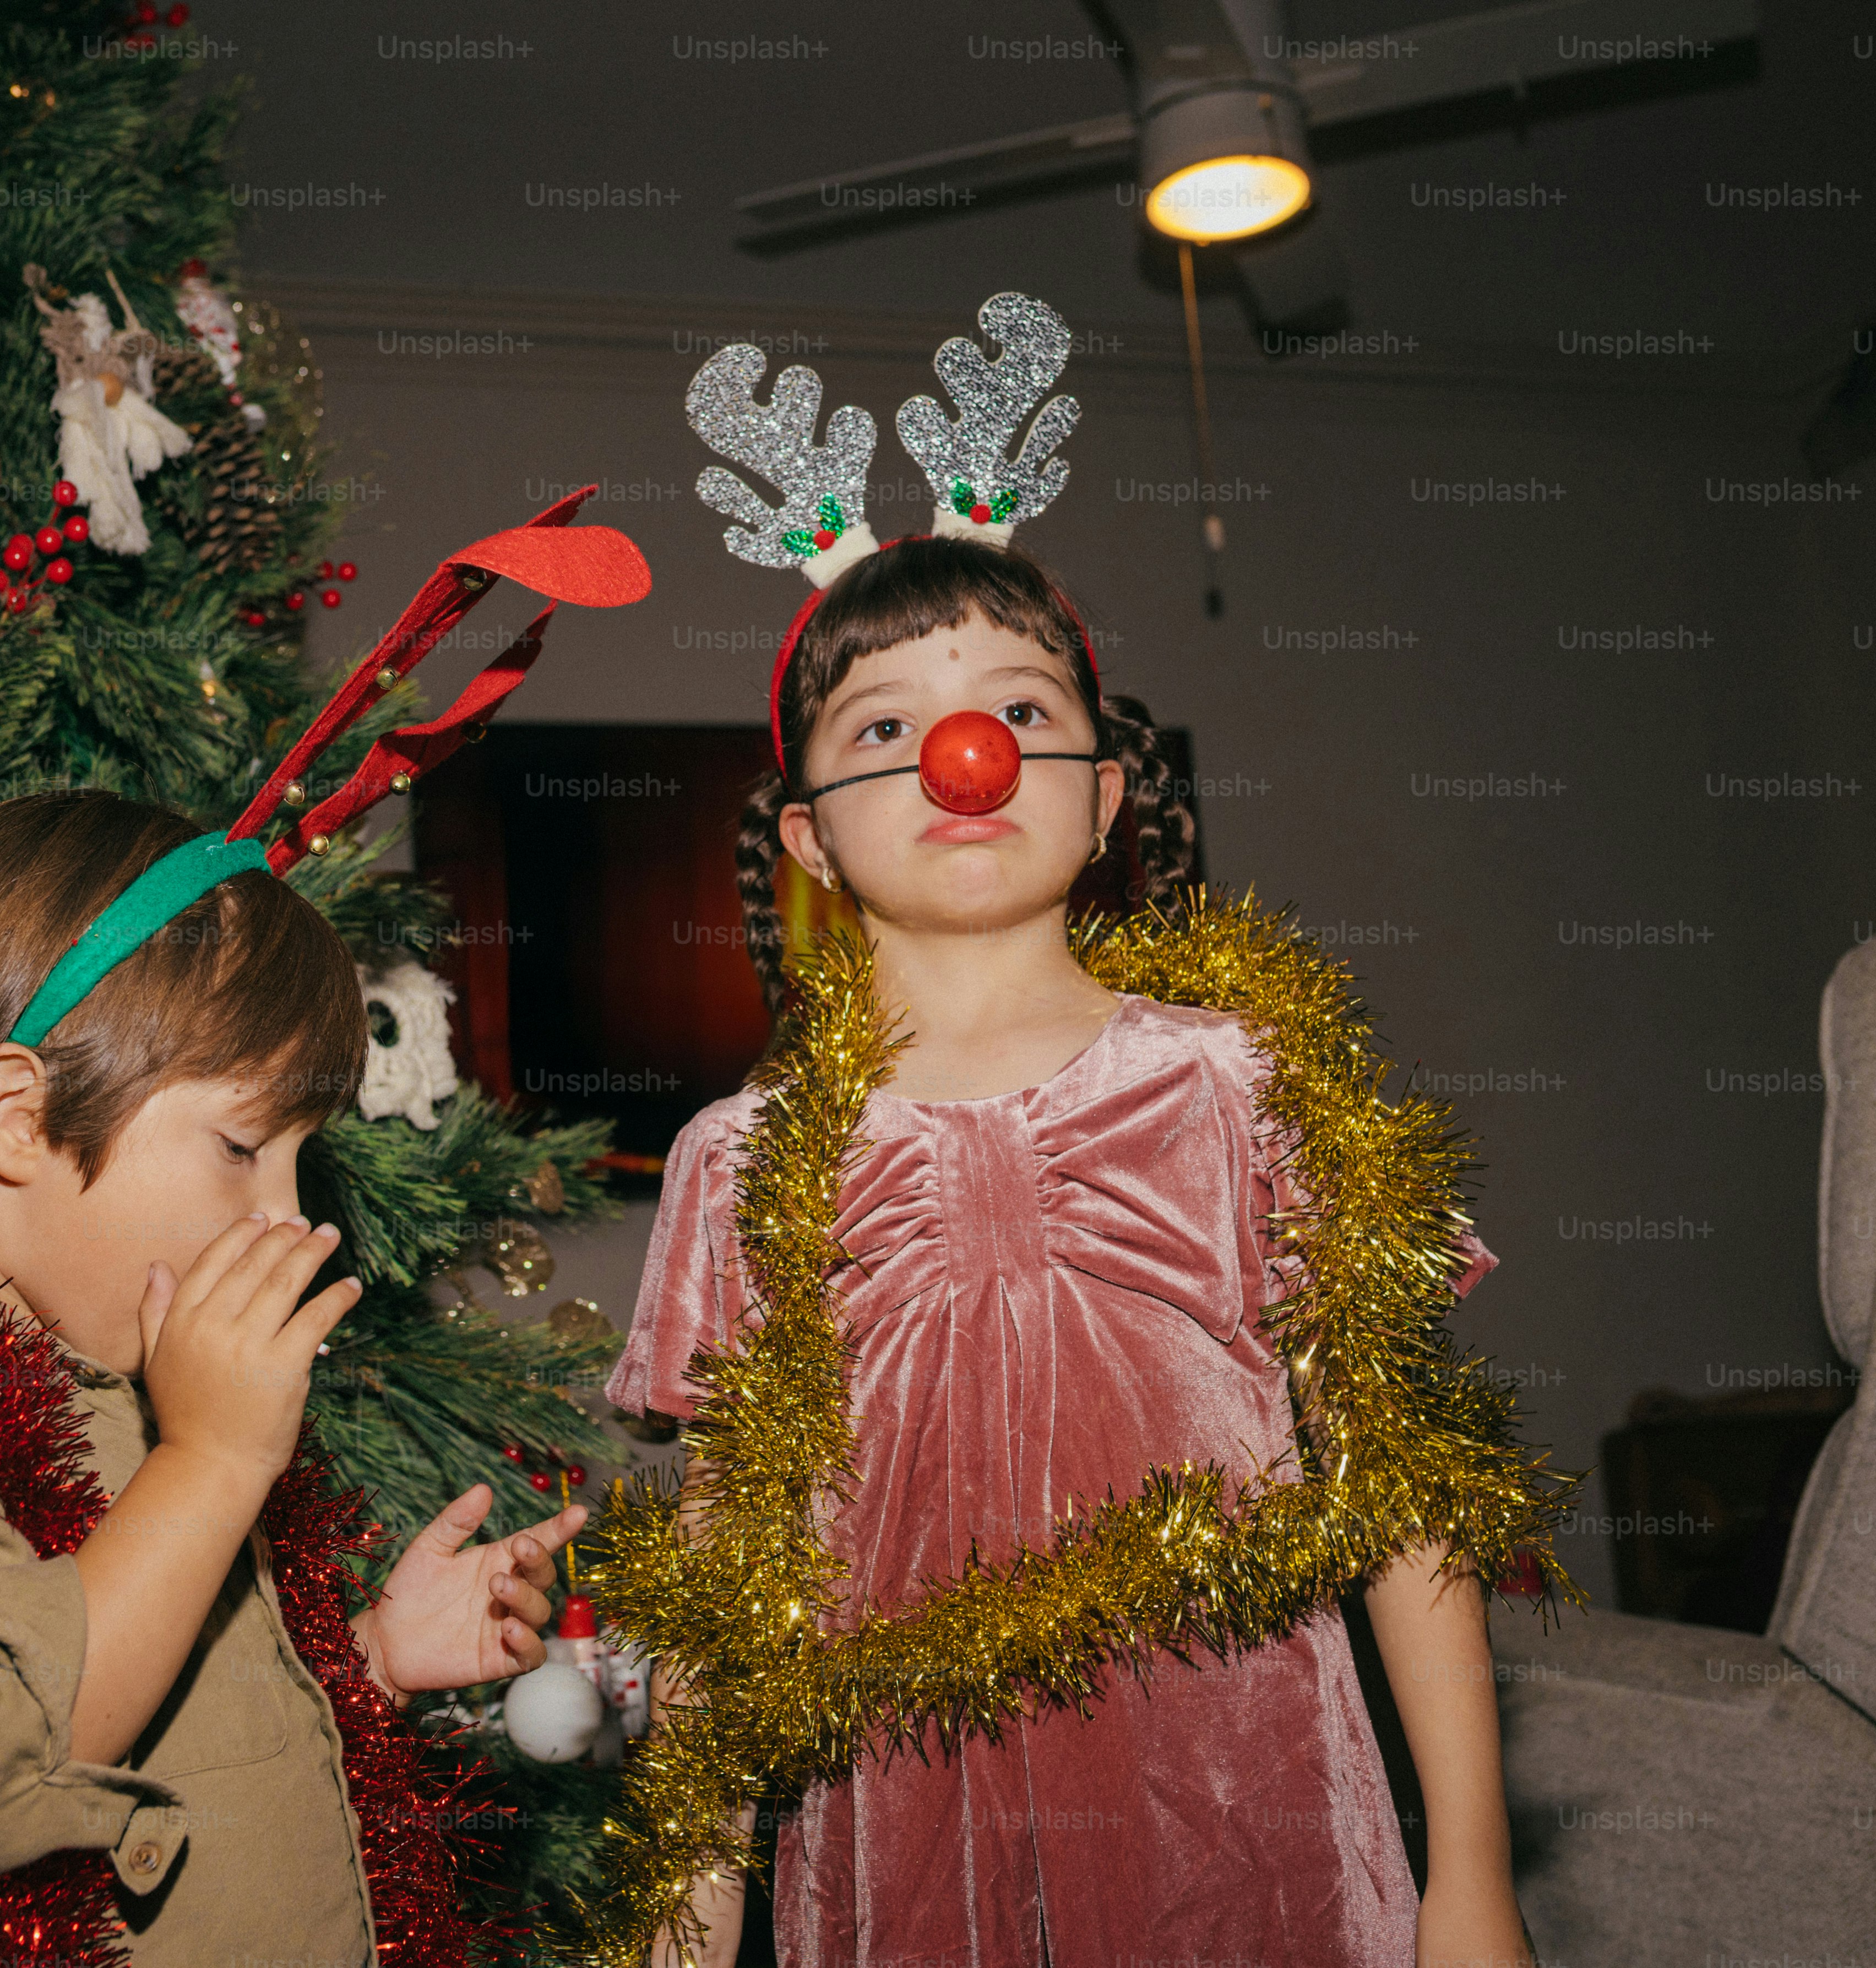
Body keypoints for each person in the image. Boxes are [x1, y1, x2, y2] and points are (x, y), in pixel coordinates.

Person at [612, 531, 1538, 1968]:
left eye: (1020, 708)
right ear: (808, 832)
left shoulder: (1252, 1084)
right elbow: (721, 1592)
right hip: (901, 1877)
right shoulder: (736, 1160)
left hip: (1253, 1853)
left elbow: (1407, 1496)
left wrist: (1468, 1875)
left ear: (1101, 796)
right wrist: (674, 1939)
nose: (962, 750)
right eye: (884, 723)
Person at [0, 791, 586, 1968]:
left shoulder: (125, 1387)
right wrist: (209, 1463)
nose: (288, 1219)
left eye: (299, 1162)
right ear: (17, 1117)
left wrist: (368, 1662)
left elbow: (170, 1717)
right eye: (239, 1147)